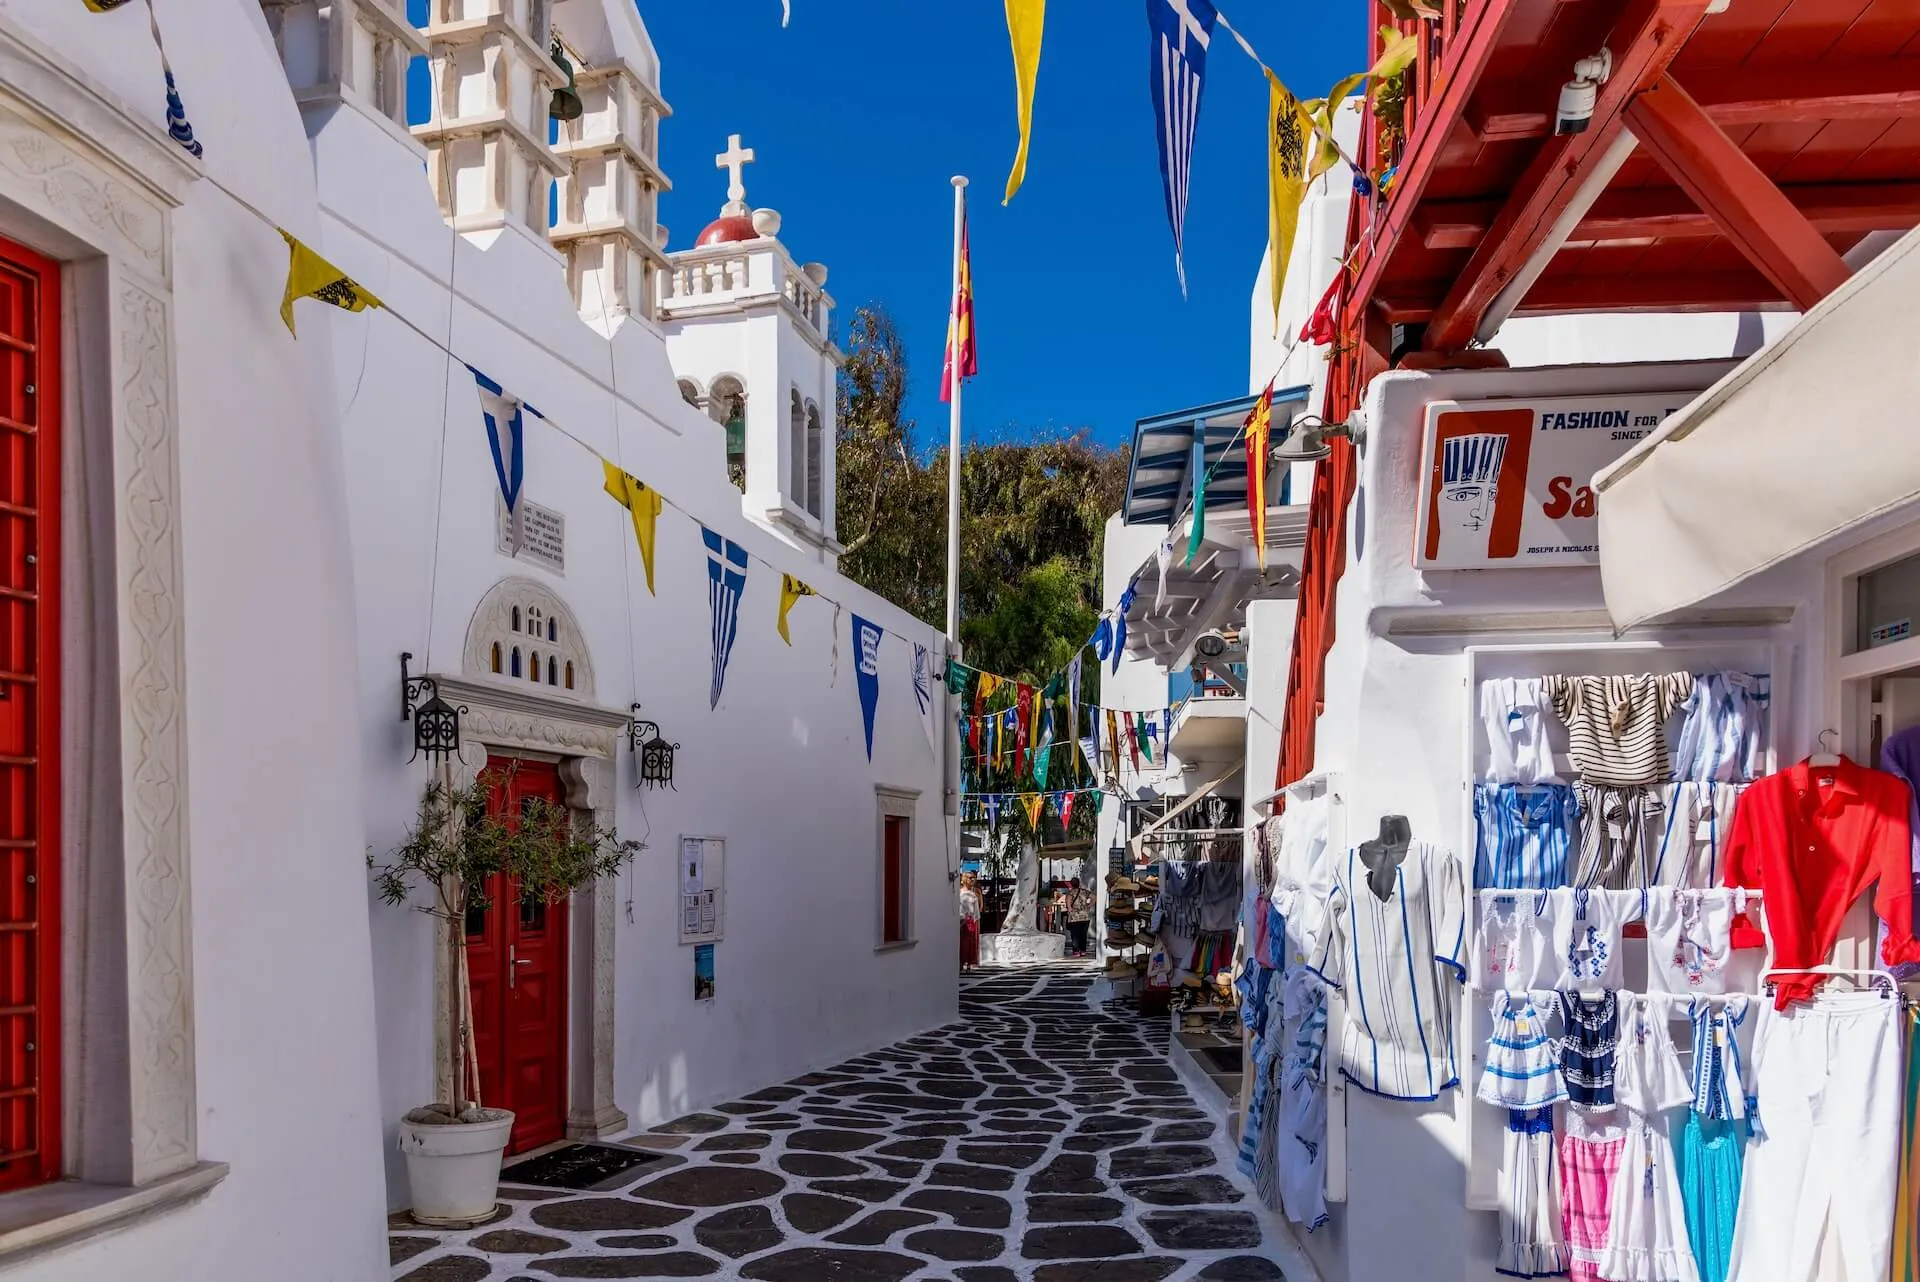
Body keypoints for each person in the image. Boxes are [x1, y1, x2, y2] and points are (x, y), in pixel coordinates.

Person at [958, 873, 982, 972]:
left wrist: (976, 920)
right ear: (964, 879)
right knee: (962, 942)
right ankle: (961, 962)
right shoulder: (959, 893)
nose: (972, 880)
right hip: (962, 920)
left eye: (973, 878)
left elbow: (977, 910)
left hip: (972, 920)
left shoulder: (974, 894)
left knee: (971, 942)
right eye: (970, 878)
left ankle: (968, 963)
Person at [1065, 878, 1093, 957]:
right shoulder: (1084, 891)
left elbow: (1069, 903)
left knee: (1075, 934)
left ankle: (1076, 951)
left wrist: (1070, 909)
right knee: (1083, 934)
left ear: (1071, 884)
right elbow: (1094, 897)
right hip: (1085, 916)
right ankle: (1083, 951)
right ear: (1079, 883)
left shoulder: (1070, 893)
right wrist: (1089, 906)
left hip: (1075, 917)